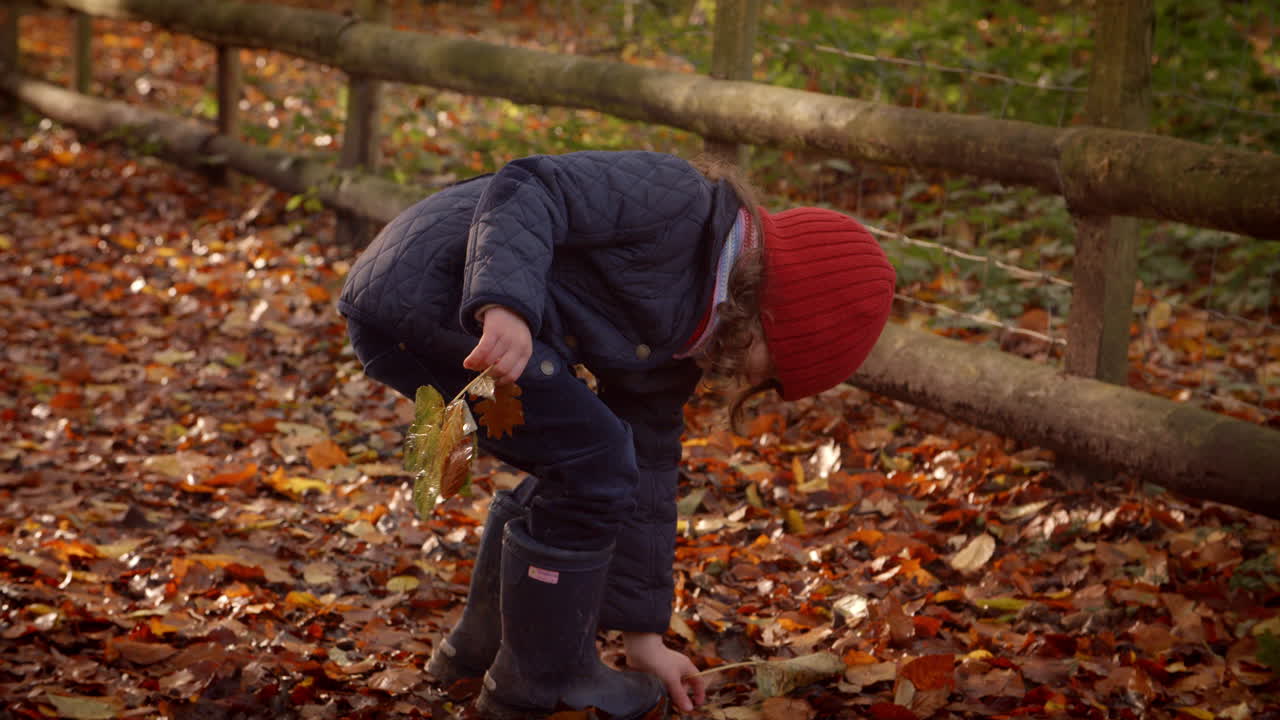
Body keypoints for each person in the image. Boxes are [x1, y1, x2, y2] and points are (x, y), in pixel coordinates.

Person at [337, 150, 896, 719]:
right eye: (771, 364)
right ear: (777, 309)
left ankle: (478, 651)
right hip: (438, 289)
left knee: (592, 462)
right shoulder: (677, 204)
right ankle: (539, 683)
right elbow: (529, 185)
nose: (752, 378)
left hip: (441, 312)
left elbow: (648, 469)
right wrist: (506, 303)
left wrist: (644, 638)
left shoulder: (694, 330)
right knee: (593, 464)